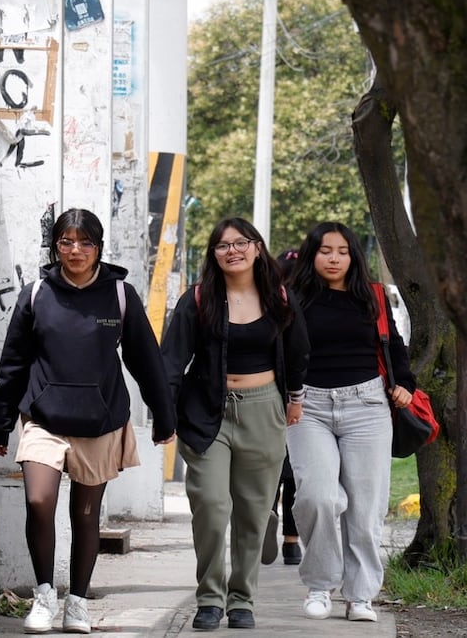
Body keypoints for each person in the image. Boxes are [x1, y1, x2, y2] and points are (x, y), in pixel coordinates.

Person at [0, 208, 176, 635]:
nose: (75, 250)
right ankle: (44, 594)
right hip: (43, 417)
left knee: (86, 514)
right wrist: (0, 420)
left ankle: (77, 603)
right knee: (39, 501)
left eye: (84, 242)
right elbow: (13, 363)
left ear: (98, 248)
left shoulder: (120, 295)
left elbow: (146, 362)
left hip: (101, 420)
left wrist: (165, 416)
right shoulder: (36, 293)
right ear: (56, 247)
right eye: (66, 242)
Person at [161, 218, 309, 631]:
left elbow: (298, 352)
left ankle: (242, 599)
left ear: (257, 248)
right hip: (208, 409)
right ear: (214, 254)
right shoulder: (198, 299)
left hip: (264, 409)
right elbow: (171, 360)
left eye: (241, 243)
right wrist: (165, 415)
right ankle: (209, 597)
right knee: (211, 504)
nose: (233, 251)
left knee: (252, 510)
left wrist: (294, 400)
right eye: (223, 245)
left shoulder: (279, 296)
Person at [286, 221, 415, 623]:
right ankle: (320, 585)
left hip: (368, 405)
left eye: (342, 251)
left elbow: (393, 346)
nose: (334, 258)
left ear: (353, 256)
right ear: (312, 254)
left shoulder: (371, 296)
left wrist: (405, 384)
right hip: (309, 407)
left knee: (366, 506)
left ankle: (360, 596)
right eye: (326, 250)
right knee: (317, 497)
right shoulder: (292, 299)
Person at [262, 248, 303, 567]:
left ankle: (266, 516)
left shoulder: (267, 304)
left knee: (269, 466)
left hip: (267, 396)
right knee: (295, 474)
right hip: (302, 397)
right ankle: (291, 541)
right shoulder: (306, 305)